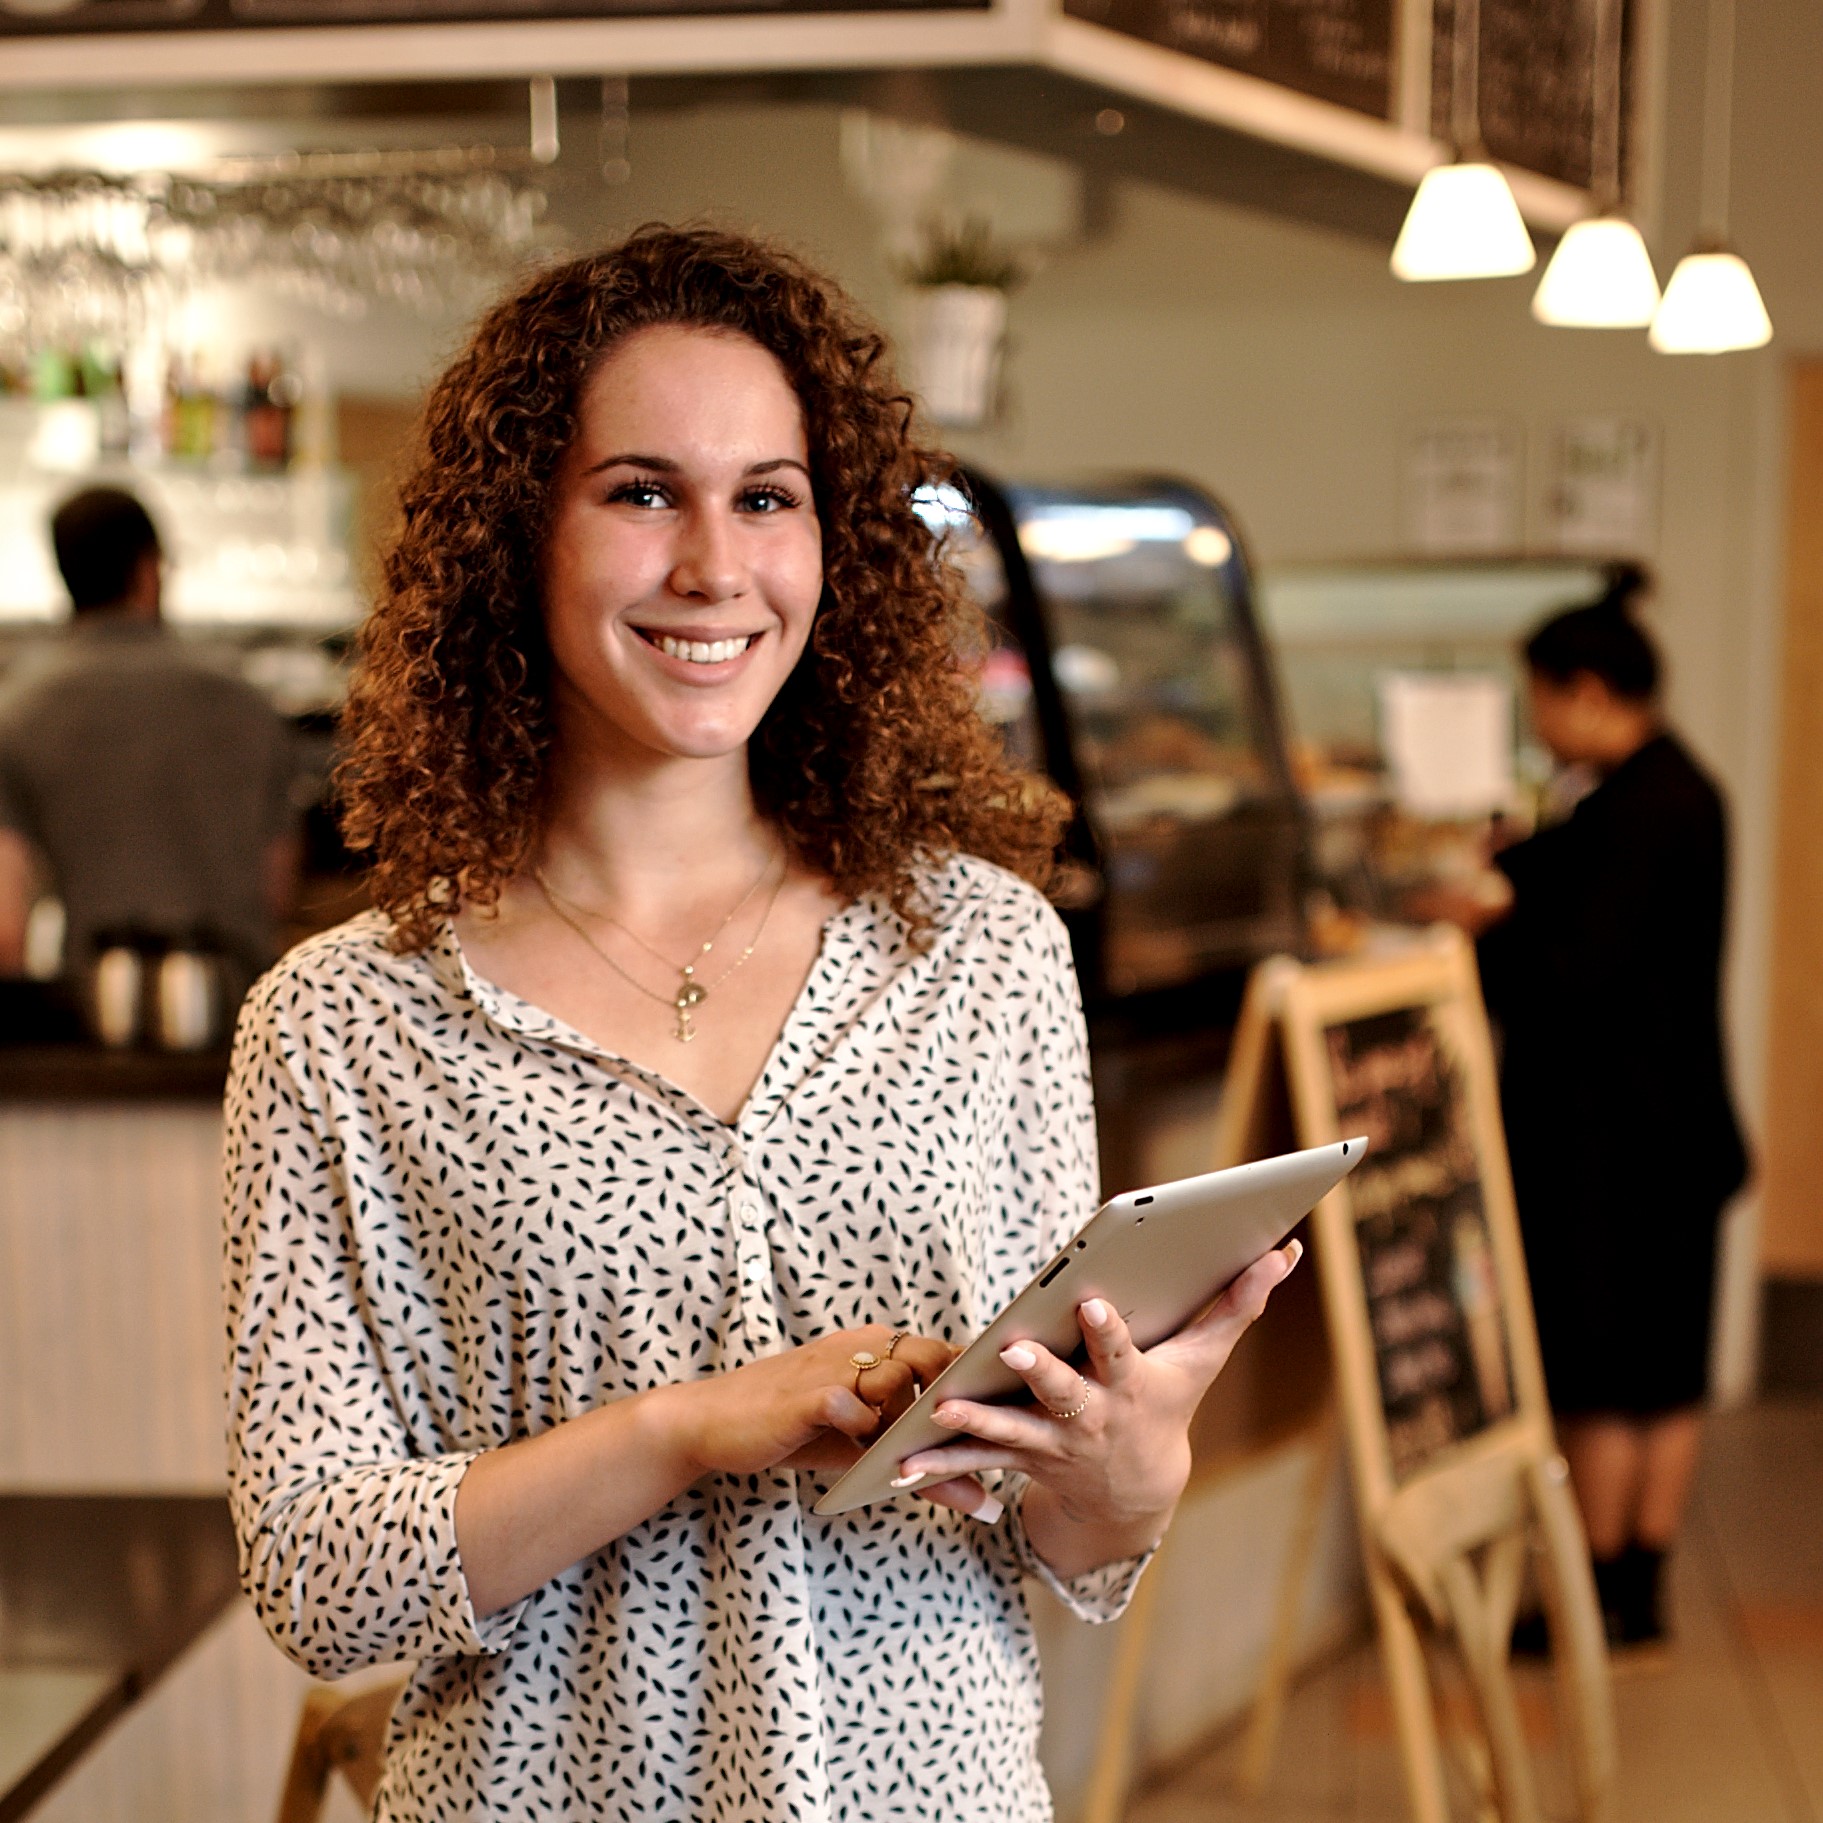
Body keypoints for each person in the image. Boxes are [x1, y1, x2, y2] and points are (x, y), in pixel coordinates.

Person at [222, 225, 1300, 1821]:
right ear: (518, 535)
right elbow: (319, 1581)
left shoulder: (981, 952)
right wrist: (675, 1430)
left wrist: (1125, 1472)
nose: (715, 568)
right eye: (642, 491)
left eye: (766, 498)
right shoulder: (341, 1027)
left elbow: (1052, 1538)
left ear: (834, 547)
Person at [1461, 572, 1748, 1651]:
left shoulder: (1637, 807)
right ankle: (1637, 1584)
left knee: (1600, 1374)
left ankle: (1589, 1599)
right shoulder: (1676, 789)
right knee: (1664, 1370)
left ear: (1582, 690)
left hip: (1615, 1144)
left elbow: (1571, 969)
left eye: (1537, 696)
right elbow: (1581, 881)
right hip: (1678, 1131)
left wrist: (1482, 932)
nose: (1536, 721)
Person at [0, 486, 301, 995]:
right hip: (241, 1010)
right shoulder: (247, 704)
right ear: (148, 570)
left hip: (97, 1010)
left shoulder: (19, 712)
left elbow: (6, 926)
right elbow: (278, 894)